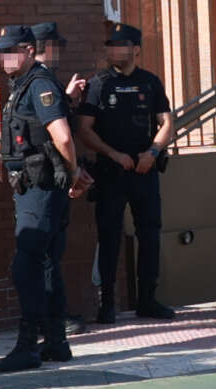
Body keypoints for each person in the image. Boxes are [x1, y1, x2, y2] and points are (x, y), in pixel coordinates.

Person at [0, 25, 87, 373]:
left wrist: (74, 171)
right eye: (2, 52)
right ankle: (56, 342)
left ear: (30, 50)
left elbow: (62, 136)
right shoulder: (25, 84)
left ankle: (28, 345)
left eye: (11, 51)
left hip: (41, 187)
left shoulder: (39, 85)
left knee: (26, 264)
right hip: (40, 186)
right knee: (46, 263)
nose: (5, 58)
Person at [74, 22, 177, 324]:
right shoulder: (99, 84)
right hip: (111, 173)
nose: (112, 50)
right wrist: (114, 154)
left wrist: (153, 153)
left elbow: (167, 123)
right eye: (110, 45)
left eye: (119, 45)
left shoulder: (150, 82)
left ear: (135, 50)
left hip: (145, 172)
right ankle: (107, 304)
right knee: (109, 237)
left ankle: (148, 299)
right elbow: (84, 129)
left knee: (149, 235)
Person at [30, 20, 88, 330]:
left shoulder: (30, 80)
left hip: (39, 178)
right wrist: (74, 171)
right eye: (58, 46)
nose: (60, 53)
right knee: (50, 253)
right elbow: (61, 136)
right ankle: (53, 320)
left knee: (46, 253)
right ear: (48, 47)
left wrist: (68, 100)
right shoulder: (43, 81)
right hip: (50, 179)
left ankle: (48, 318)